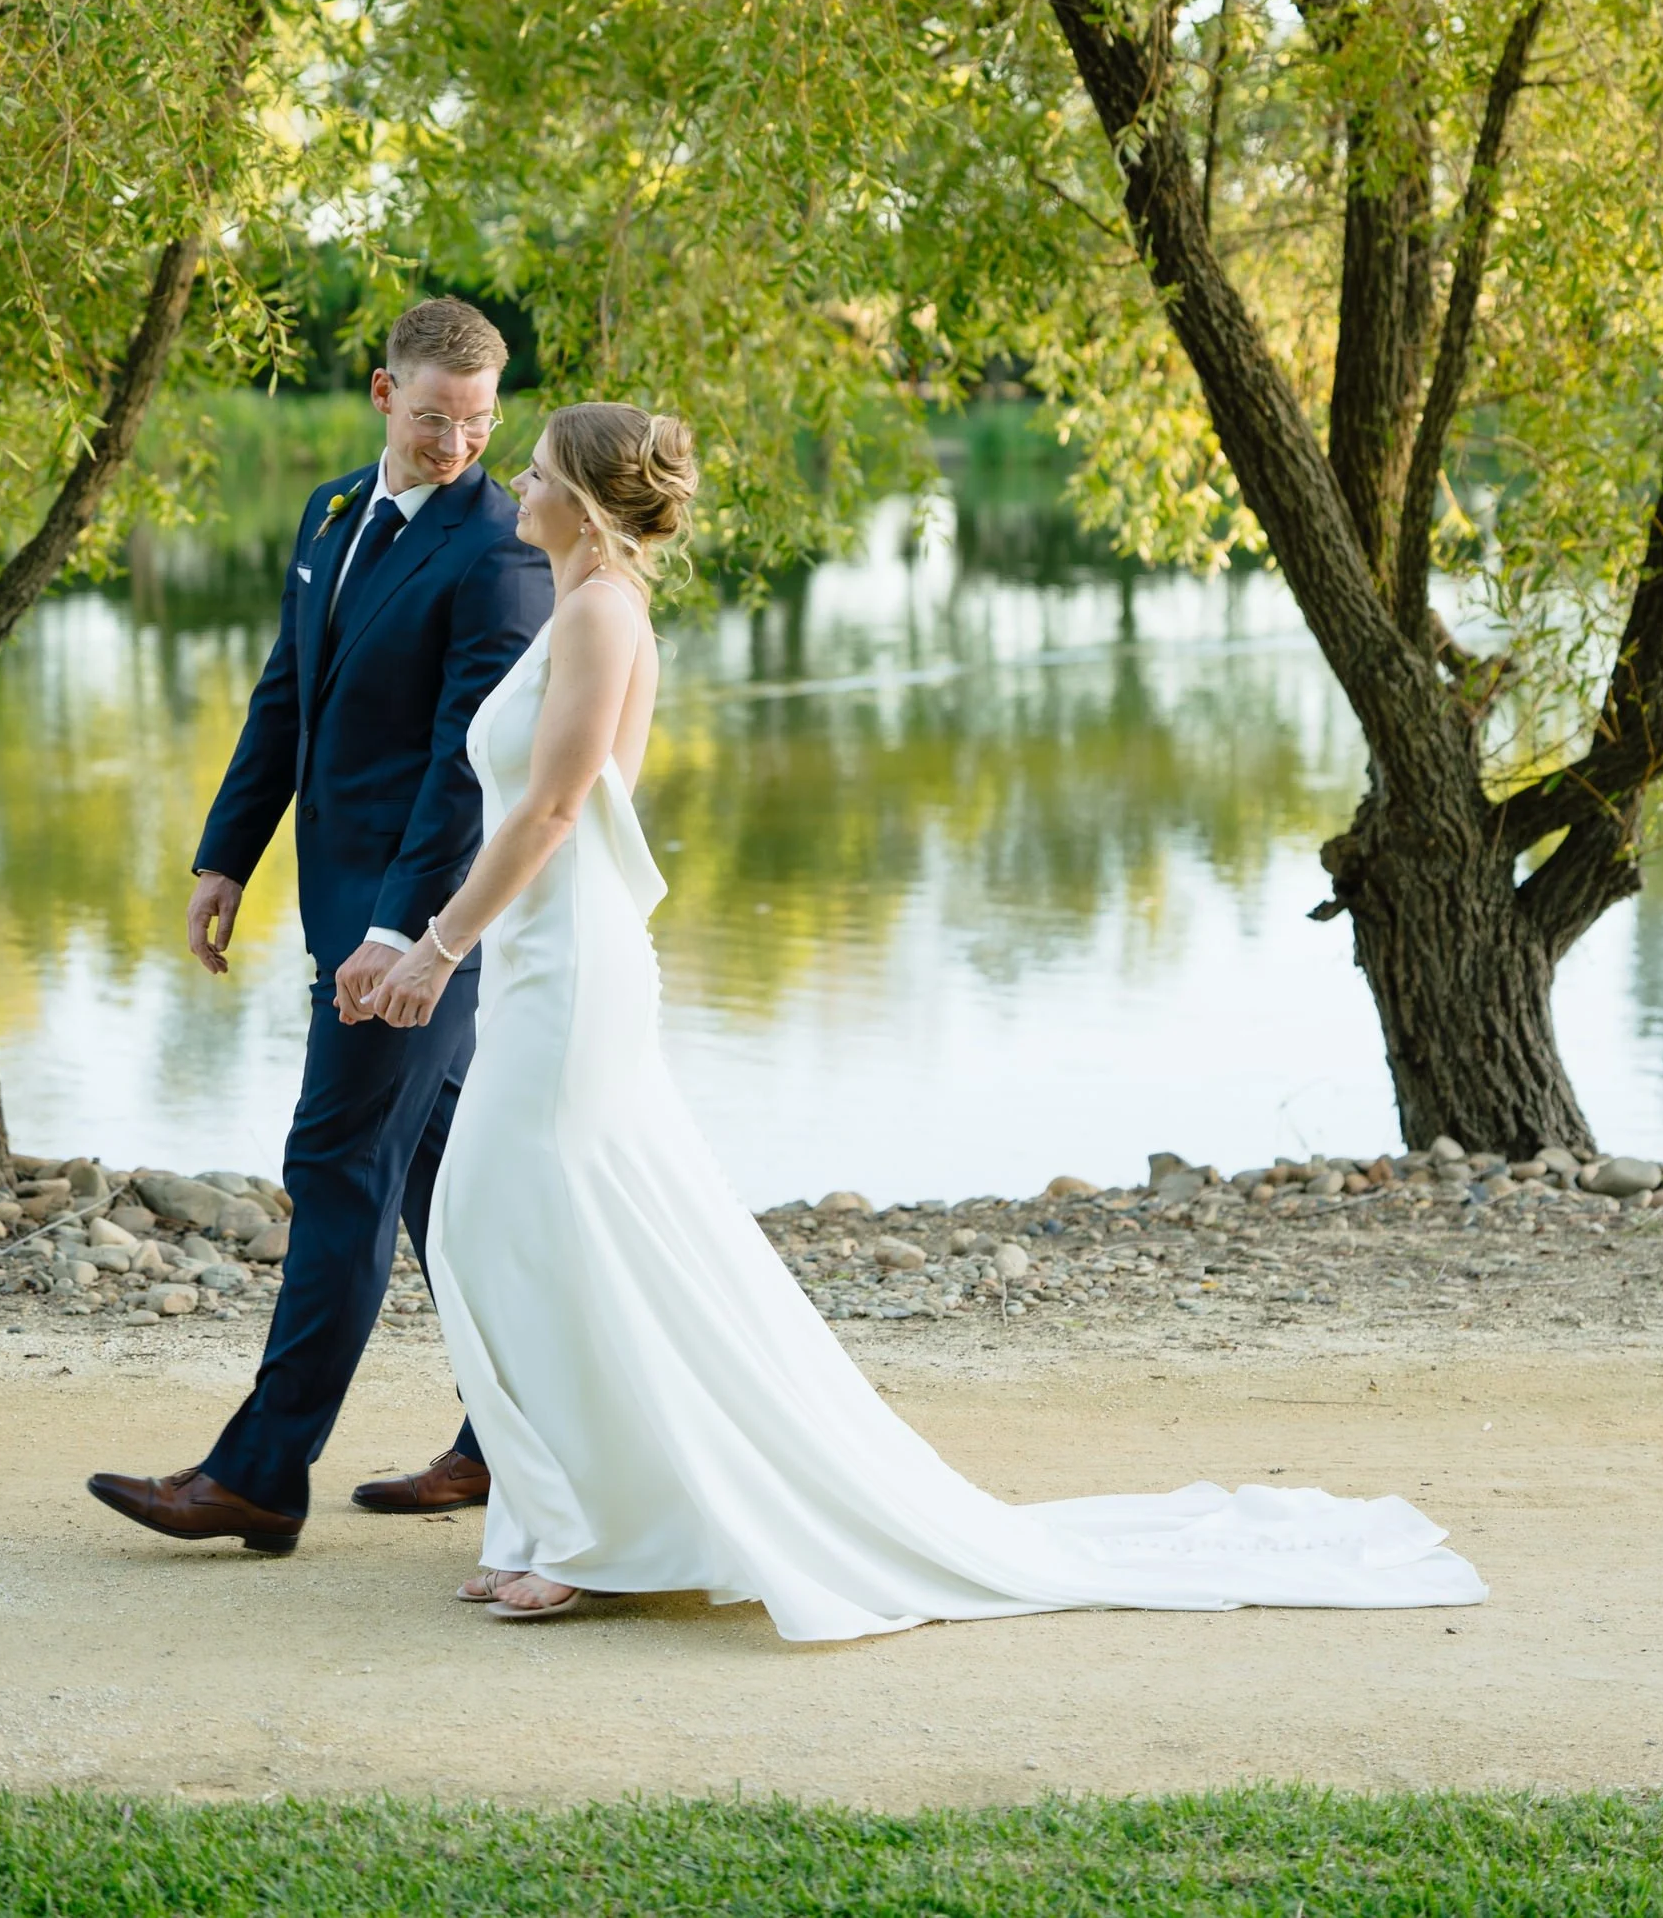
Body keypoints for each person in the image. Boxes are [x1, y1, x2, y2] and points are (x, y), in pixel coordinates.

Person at [338, 403, 1490, 1641]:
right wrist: (432, 940)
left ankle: (594, 1535)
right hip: (539, 956)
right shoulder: (578, 610)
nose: (516, 482)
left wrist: (437, 948)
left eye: (536, 470)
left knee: (510, 1220)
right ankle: (557, 1518)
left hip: (571, 966)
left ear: (581, 500)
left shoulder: (602, 614)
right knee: (514, 1225)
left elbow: (556, 808)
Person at [87, 298, 550, 1555]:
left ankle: (258, 1473)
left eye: (479, 421)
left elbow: (462, 772)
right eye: (435, 416)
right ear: (383, 393)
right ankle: (515, 1438)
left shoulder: (499, 551)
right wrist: (225, 853)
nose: (457, 442)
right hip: (333, 904)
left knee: (336, 1164)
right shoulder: (332, 510)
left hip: (414, 931)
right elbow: (286, 692)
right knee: (445, 1183)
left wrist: (403, 933)